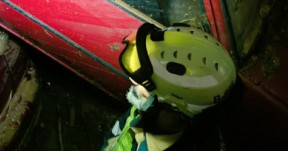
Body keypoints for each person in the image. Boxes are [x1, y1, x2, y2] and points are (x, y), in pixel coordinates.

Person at [101, 23, 237, 151]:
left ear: (170, 107)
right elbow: (115, 138)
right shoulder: (145, 114)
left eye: (144, 86)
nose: (133, 83)